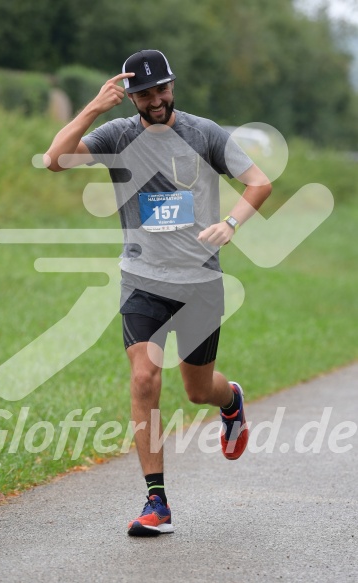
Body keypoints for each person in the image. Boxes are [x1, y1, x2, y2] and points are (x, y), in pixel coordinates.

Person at [44, 49, 272, 537]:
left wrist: (231, 224)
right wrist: (91, 110)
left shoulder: (205, 133)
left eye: (161, 89)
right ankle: (156, 501)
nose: (155, 100)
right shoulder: (116, 135)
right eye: (144, 93)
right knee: (145, 378)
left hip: (199, 283)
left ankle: (229, 400)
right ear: (130, 96)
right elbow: (54, 160)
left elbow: (259, 182)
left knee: (196, 390)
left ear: (173, 86)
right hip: (142, 279)